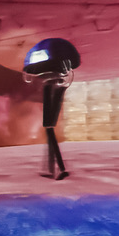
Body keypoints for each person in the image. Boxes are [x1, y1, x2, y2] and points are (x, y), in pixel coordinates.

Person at [22, 38, 81, 179]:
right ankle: (55, 168)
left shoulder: (54, 83)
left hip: (55, 85)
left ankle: (59, 168)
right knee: (49, 128)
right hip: (56, 84)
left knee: (49, 128)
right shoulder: (55, 82)